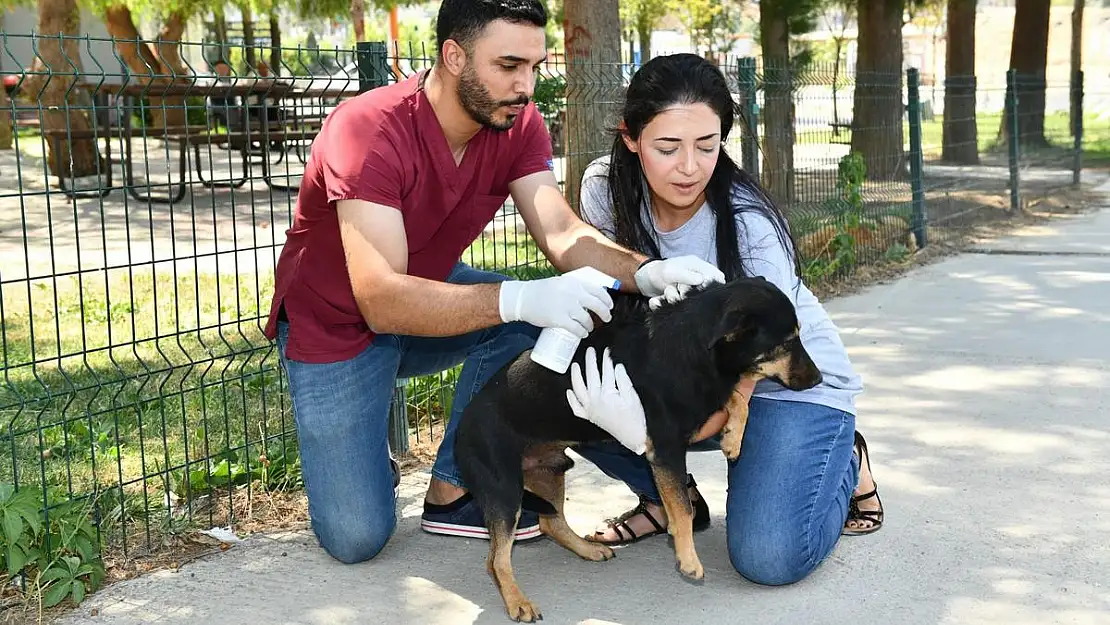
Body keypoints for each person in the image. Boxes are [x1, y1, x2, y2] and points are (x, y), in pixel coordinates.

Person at [262, 0, 725, 565]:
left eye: (534, 66)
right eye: (508, 65)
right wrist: (522, 298)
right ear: (453, 56)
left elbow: (559, 230)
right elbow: (381, 299)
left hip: (427, 289)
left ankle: (454, 487)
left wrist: (644, 273)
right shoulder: (367, 129)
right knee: (356, 538)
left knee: (549, 323)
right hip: (336, 324)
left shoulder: (516, 122)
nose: (525, 85)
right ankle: (364, 450)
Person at [562, 53, 885, 586]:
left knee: (767, 559)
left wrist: (652, 428)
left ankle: (841, 457)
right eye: (668, 147)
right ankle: (669, 497)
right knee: (562, 375)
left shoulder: (750, 225)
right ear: (630, 138)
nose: (689, 166)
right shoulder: (605, 187)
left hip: (782, 382)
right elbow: (611, 302)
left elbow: (748, 375)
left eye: (707, 146)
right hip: (686, 370)